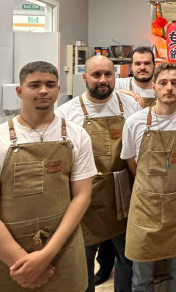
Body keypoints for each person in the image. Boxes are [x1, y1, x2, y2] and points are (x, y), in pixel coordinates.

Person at [0, 61, 96, 291]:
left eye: (50, 84)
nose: (43, 90)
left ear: (58, 90)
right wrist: (22, 263)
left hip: (61, 252)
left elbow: (82, 197)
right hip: (3, 259)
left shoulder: (76, 136)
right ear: (20, 92)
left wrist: (46, 255)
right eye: (35, 85)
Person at [56, 55, 142, 292]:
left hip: (123, 194)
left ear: (116, 77)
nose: (102, 80)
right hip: (86, 198)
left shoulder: (130, 105)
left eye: (108, 74)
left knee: (128, 259)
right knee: (82, 262)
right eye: (96, 75)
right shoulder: (66, 113)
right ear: (84, 78)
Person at [121, 62, 176, 292]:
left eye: (175, 83)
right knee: (141, 277)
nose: (169, 87)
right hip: (144, 209)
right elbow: (131, 161)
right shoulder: (135, 122)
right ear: (154, 87)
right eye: (163, 83)